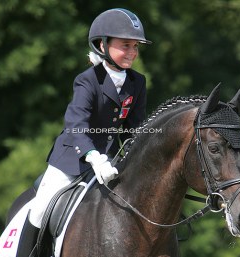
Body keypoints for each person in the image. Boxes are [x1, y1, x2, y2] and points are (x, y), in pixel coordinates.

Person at [16, 8, 151, 256]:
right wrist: (93, 156)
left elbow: (134, 129)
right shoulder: (88, 80)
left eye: (135, 46)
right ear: (102, 44)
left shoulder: (137, 82)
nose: (132, 52)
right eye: (125, 45)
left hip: (110, 162)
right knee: (40, 208)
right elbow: (76, 124)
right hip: (72, 160)